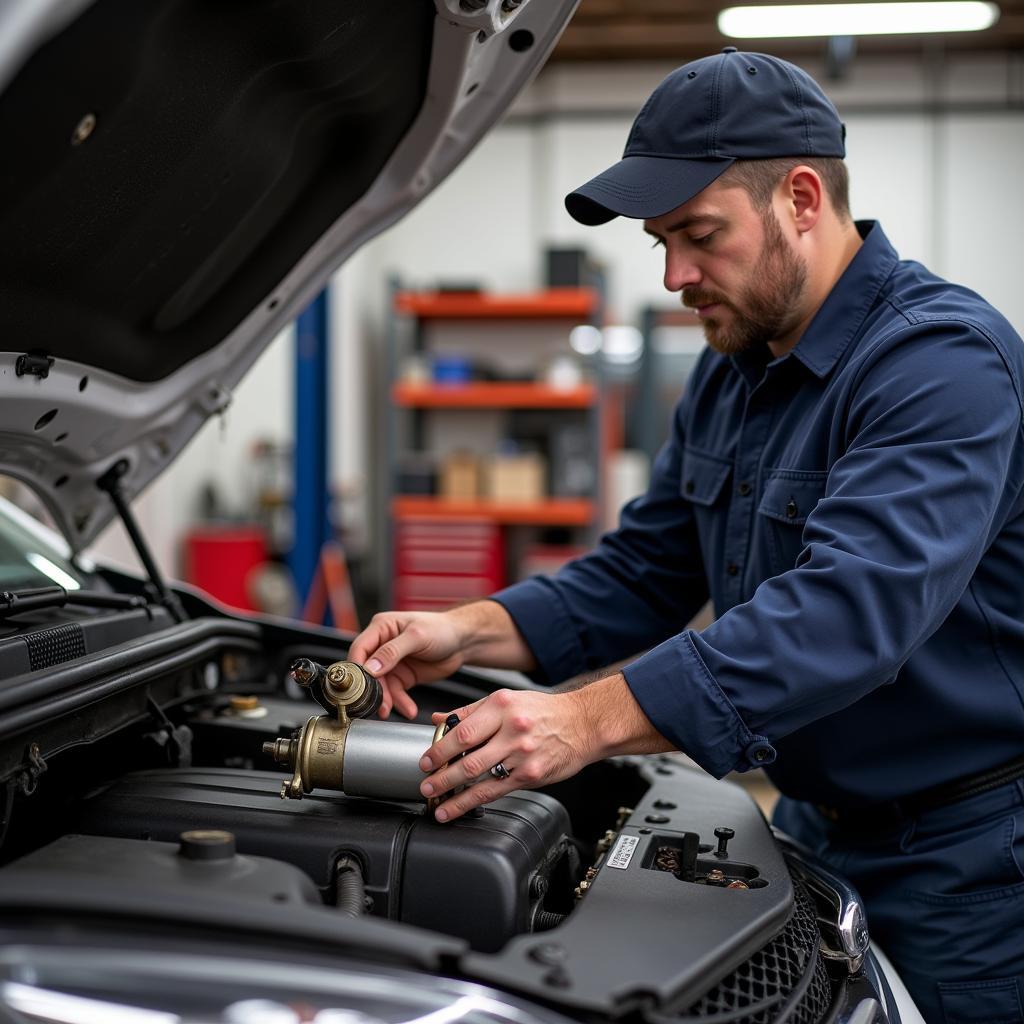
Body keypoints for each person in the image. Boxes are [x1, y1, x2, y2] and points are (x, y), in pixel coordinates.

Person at [351, 48, 1024, 1022]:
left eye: (698, 236)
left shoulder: (939, 364)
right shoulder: (732, 367)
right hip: (806, 823)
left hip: (965, 861)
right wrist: (470, 626)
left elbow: (846, 614)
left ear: (800, 197)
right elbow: (644, 569)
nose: (674, 275)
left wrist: (583, 720)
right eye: (658, 241)